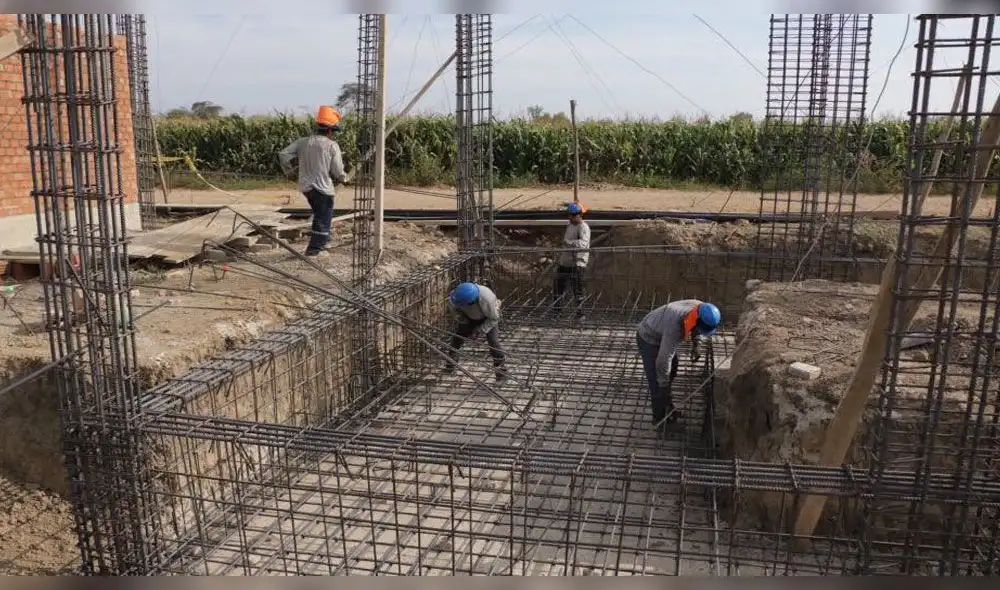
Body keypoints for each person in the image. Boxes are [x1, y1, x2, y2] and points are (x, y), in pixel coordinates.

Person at [635, 300, 721, 429]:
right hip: (648, 338)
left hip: (662, 332)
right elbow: (663, 360)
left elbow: (698, 328)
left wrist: (697, 343)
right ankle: (660, 421)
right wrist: (664, 385)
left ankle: (668, 408)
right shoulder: (675, 326)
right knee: (658, 384)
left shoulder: (702, 309)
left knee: (673, 369)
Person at [278, 105, 349, 257]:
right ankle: (315, 250)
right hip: (322, 188)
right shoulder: (331, 145)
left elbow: (283, 154)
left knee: (319, 214)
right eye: (333, 132)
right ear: (330, 130)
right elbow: (337, 170)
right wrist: (345, 178)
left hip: (306, 187)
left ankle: (323, 241)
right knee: (324, 217)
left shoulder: (303, 142)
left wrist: (289, 172)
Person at [443, 282, 508, 383]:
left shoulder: (487, 299)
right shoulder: (455, 297)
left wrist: (479, 331)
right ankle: (450, 366)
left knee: (493, 343)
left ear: (472, 301)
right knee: (457, 338)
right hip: (467, 317)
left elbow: (494, 319)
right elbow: (457, 314)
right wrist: (465, 324)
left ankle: (501, 373)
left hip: (488, 318)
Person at [553, 202, 590, 319]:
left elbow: (584, 244)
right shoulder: (570, 225)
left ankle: (580, 315)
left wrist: (569, 243)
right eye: (569, 215)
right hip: (566, 261)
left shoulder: (583, 227)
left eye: (573, 215)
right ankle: (557, 312)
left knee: (578, 290)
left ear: (580, 215)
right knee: (558, 287)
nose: (570, 217)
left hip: (577, 263)